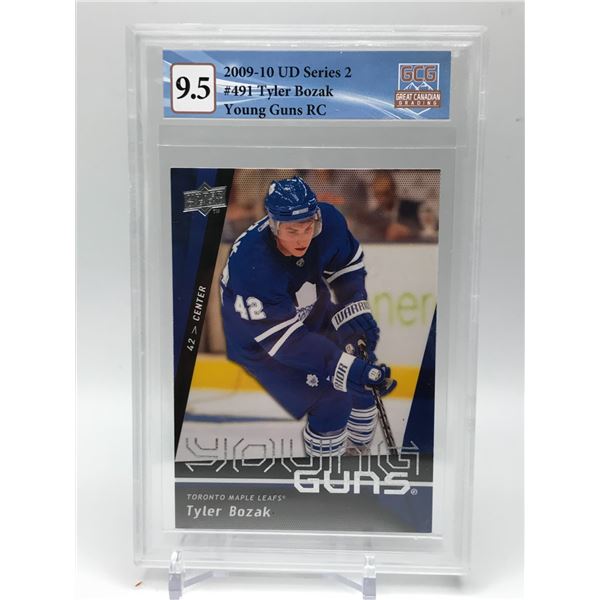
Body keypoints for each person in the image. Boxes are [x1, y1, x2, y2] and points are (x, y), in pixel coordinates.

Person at [220, 177, 396, 457]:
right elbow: (287, 343)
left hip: (312, 311)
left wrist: (353, 307)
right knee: (331, 401)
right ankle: (326, 473)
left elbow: (346, 264)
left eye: (308, 227)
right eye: (292, 230)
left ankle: (357, 455)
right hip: (260, 342)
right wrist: (343, 367)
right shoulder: (251, 264)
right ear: (274, 225)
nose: (303, 238)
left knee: (362, 381)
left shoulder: (328, 221)